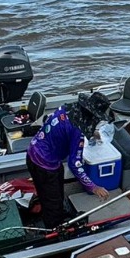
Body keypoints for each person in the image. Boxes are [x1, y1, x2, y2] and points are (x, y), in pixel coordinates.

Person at [26, 93, 114, 228]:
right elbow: (75, 164)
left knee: (55, 189)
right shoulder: (77, 130)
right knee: (52, 202)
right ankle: (54, 230)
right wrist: (93, 187)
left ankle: (58, 211)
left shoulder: (67, 108)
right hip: (44, 164)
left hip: (35, 150)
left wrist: (92, 134)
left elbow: (68, 129)